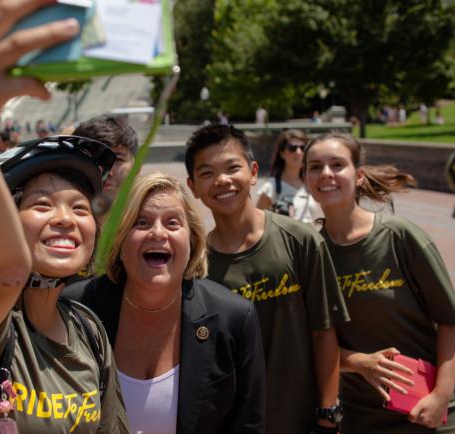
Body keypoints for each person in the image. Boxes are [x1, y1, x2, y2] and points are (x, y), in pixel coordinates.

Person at [0, 2, 128, 433]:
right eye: (41, 205)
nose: (65, 219)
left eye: (79, 208)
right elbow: (2, 274)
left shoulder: (89, 330)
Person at [64, 172, 265, 434]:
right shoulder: (76, 310)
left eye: (172, 223)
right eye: (141, 222)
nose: (158, 233)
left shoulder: (235, 317)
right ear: (120, 239)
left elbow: (249, 425)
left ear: (192, 240)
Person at [184, 124, 349, 434]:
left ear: (253, 171)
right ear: (192, 186)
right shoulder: (195, 265)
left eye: (232, 167)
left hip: (302, 419)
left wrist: (328, 414)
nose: (222, 180)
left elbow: (324, 331)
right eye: (207, 173)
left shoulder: (300, 240)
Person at [303, 132, 455, 434]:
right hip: (362, 419)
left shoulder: (400, 237)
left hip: (429, 412)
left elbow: (450, 321)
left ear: (358, 175)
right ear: (305, 176)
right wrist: (359, 361)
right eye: (315, 167)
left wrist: (441, 396)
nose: (326, 174)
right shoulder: (308, 252)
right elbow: (311, 340)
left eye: (337, 164)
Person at [256, 129, 323, 224]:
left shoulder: (312, 183)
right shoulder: (271, 187)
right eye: (292, 148)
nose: (298, 152)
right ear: (282, 153)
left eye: (303, 148)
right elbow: (257, 221)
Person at [72, 115, 138, 201]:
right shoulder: (60, 213)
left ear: (137, 169)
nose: (105, 171)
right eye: (93, 159)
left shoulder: (153, 211)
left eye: (117, 160)